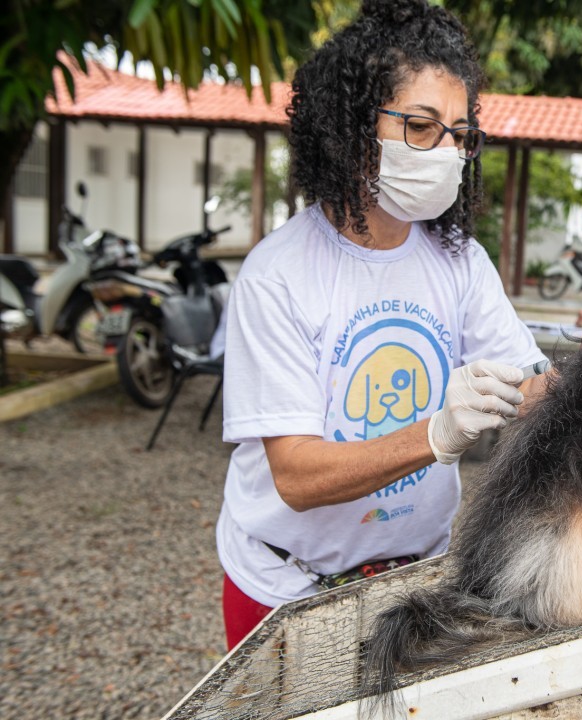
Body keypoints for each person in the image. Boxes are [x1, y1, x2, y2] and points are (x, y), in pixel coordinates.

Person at [215, 0, 548, 649]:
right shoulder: (277, 276)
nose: (446, 151)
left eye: (459, 134)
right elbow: (297, 476)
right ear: (350, 125)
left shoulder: (459, 260)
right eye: (420, 127)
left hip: (415, 580)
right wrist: (438, 433)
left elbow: (532, 383)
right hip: (286, 589)